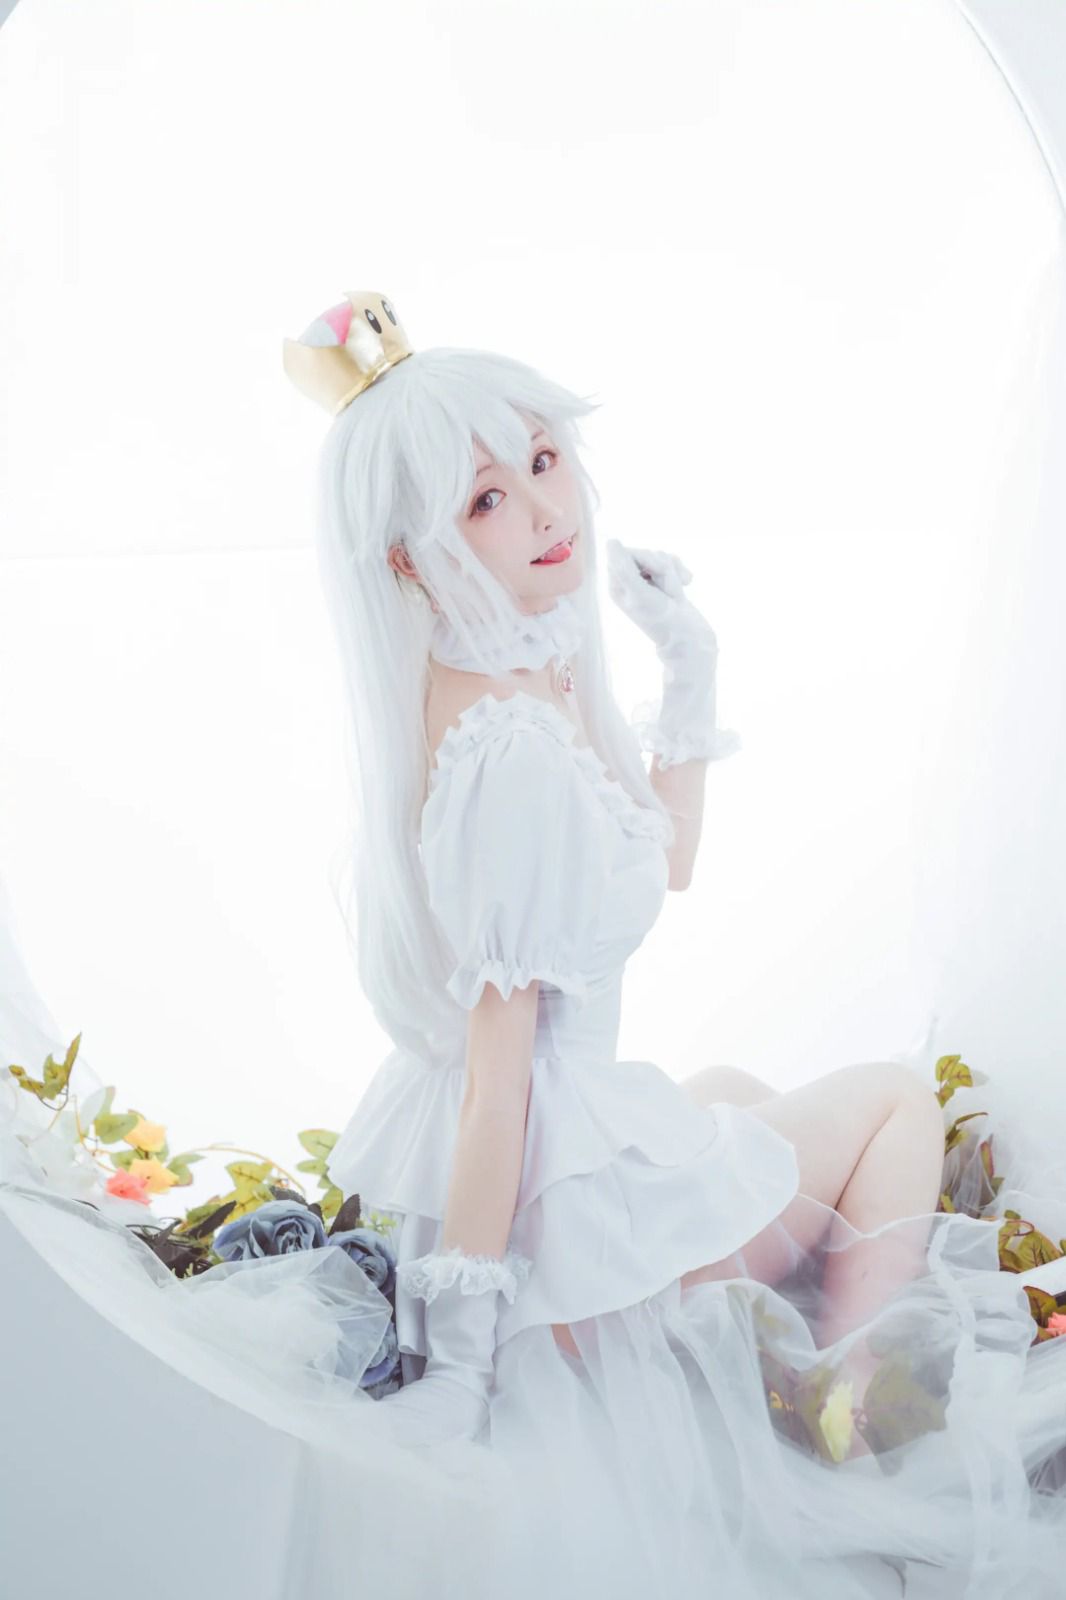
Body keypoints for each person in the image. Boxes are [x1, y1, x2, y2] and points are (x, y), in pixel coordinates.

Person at [2, 287, 1066, 1598]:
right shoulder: (506, 752)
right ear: (410, 557)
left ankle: (803, 1364)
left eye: (545, 461)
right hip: (551, 1244)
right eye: (486, 500)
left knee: (728, 1089)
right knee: (896, 1099)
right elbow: (498, 1081)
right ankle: (851, 1410)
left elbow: (666, 863)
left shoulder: (508, 670)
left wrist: (687, 672)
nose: (545, 510)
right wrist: (464, 1361)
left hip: (558, 1174)